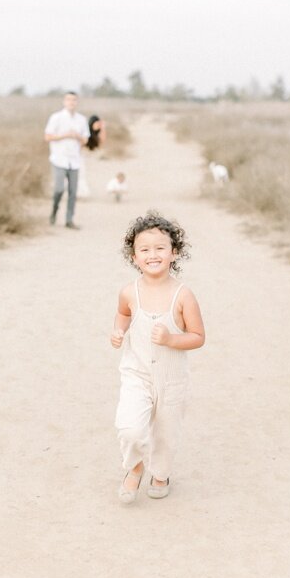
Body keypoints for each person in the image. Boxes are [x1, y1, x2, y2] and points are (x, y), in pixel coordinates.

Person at [111, 214, 205, 503]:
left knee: (166, 434)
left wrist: (171, 339)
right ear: (134, 256)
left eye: (160, 248)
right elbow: (124, 314)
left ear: (174, 252)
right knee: (129, 428)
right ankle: (135, 466)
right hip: (136, 373)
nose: (153, 255)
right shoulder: (129, 292)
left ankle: (161, 473)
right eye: (145, 249)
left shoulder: (183, 295)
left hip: (172, 380)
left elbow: (198, 336)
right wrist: (118, 330)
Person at [44, 90, 88, 229]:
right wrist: (65, 135)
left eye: (74, 100)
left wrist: (77, 137)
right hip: (59, 158)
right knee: (58, 189)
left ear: (77, 102)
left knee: (73, 191)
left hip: (74, 160)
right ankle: (54, 210)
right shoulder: (56, 118)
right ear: (64, 101)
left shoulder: (81, 119)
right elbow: (48, 137)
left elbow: (85, 139)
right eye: (69, 100)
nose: (71, 102)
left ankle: (69, 220)